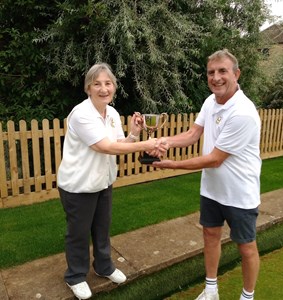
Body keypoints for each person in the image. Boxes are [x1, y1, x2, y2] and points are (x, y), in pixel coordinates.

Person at [152, 49, 261, 300]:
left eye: (223, 71)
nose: (216, 77)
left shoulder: (243, 112)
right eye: (211, 72)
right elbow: (192, 134)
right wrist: (163, 141)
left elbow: (214, 159)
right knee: (210, 235)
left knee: (246, 247)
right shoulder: (210, 101)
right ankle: (211, 290)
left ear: (236, 74)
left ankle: (247, 297)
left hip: (239, 193)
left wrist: (174, 166)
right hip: (212, 189)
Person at [57, 63, 167, 300]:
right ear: (88, 88)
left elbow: (120, 146)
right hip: (78, 185)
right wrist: (147, 144)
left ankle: (104, 267)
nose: (103, 88)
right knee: (78, 232)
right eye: (97, 83)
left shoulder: (113, 114)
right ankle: (75, 276)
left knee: (102, 228)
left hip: (103, 182)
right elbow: (104, 147)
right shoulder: (81, 114)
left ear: (114, 87)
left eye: (108, 83)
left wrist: (135, 135)